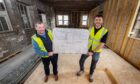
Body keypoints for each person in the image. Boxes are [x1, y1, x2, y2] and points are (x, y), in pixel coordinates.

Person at [76, 15, 108, 82]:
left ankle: (91, 74)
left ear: (102, 21)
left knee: (93, 63)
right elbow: (85, 39)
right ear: (94, 21)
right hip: (87, 49)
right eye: (96, 20)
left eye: (99, 20)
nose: (98, 21)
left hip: (96, 51)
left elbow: (102, 44)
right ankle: (82, 70)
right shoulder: (90, 29)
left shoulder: (104, 31)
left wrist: (93, 51)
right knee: (81, 60)